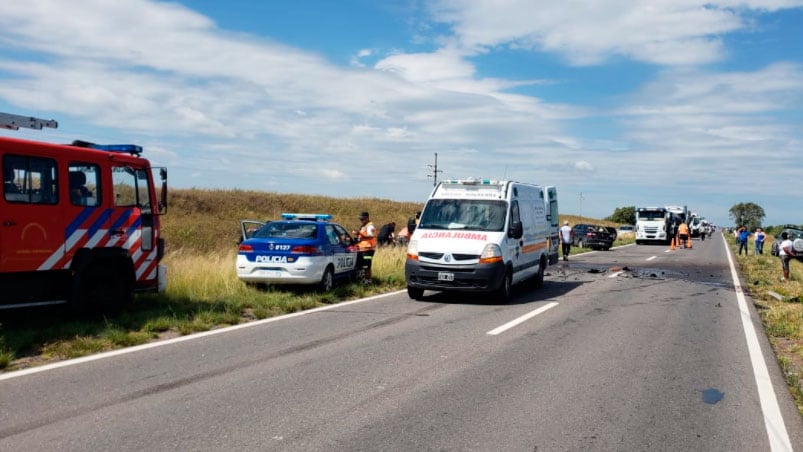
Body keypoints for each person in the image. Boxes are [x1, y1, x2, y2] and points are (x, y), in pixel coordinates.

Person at [354, 211, 377, 281]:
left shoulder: (370, 226)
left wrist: (359, 233)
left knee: (367, 265)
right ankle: (362, 279)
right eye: (360, 219)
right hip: (361, 249)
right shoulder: (363, 226)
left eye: (362, 219)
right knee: (360, 265)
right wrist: (358, 235)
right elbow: (362, 236)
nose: (361, 221)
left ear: (367, 218)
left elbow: (371, 236)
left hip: (368, 250)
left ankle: (368, 280)